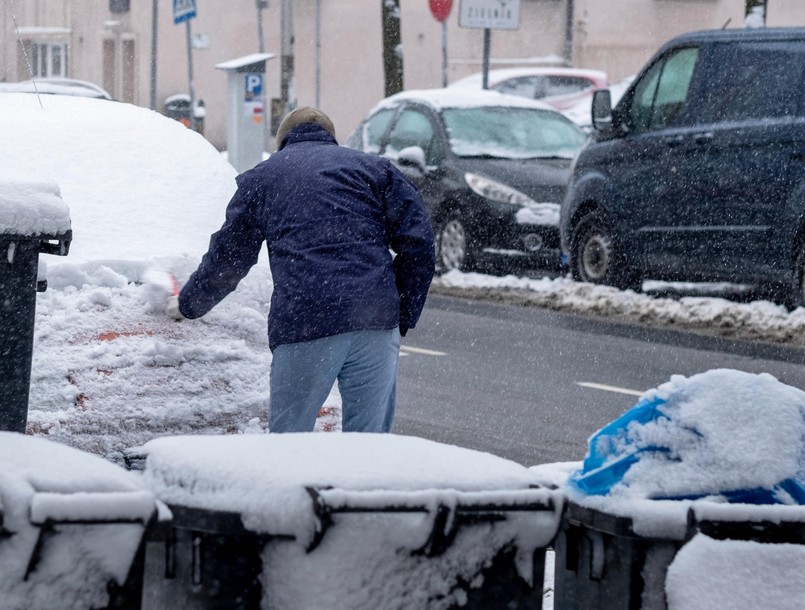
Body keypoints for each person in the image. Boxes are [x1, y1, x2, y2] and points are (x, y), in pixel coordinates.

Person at [168, 106, 435, 433]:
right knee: (369, 445)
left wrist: (189, 304)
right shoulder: (375, 170)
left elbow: (230, 257)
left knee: (289, 441)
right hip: (375, 323)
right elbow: (419, 242)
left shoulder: (263, 178)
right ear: (331, 138)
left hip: (306, 320)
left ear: (282, 142)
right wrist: (400, 310)